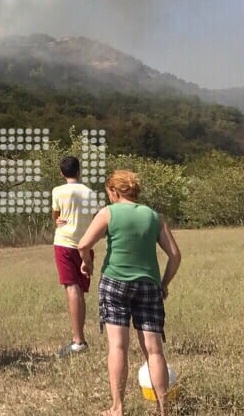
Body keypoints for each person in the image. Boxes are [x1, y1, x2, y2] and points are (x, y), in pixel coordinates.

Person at [78, 170, 182, 416]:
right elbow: (175, 256)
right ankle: (163, 409)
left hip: (114, 283)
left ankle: (117, 407)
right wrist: (163, 283)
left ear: (114, 191)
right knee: (154, 350)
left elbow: (83, 244)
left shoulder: (108, 213)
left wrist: (87, 264)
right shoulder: (154, 217)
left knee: (118, 346)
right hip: (148, 285)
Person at [52, 156, 98, 357]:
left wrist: (58, 220)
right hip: (85, 244)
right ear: (79, 171)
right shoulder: (89, 193)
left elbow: (56, 215)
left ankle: (78, 341)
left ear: (62, 173)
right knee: (80, 290)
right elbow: (96, 218)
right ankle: (80, 338)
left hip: (64, 243)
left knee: (72, 289)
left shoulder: (58, 191)